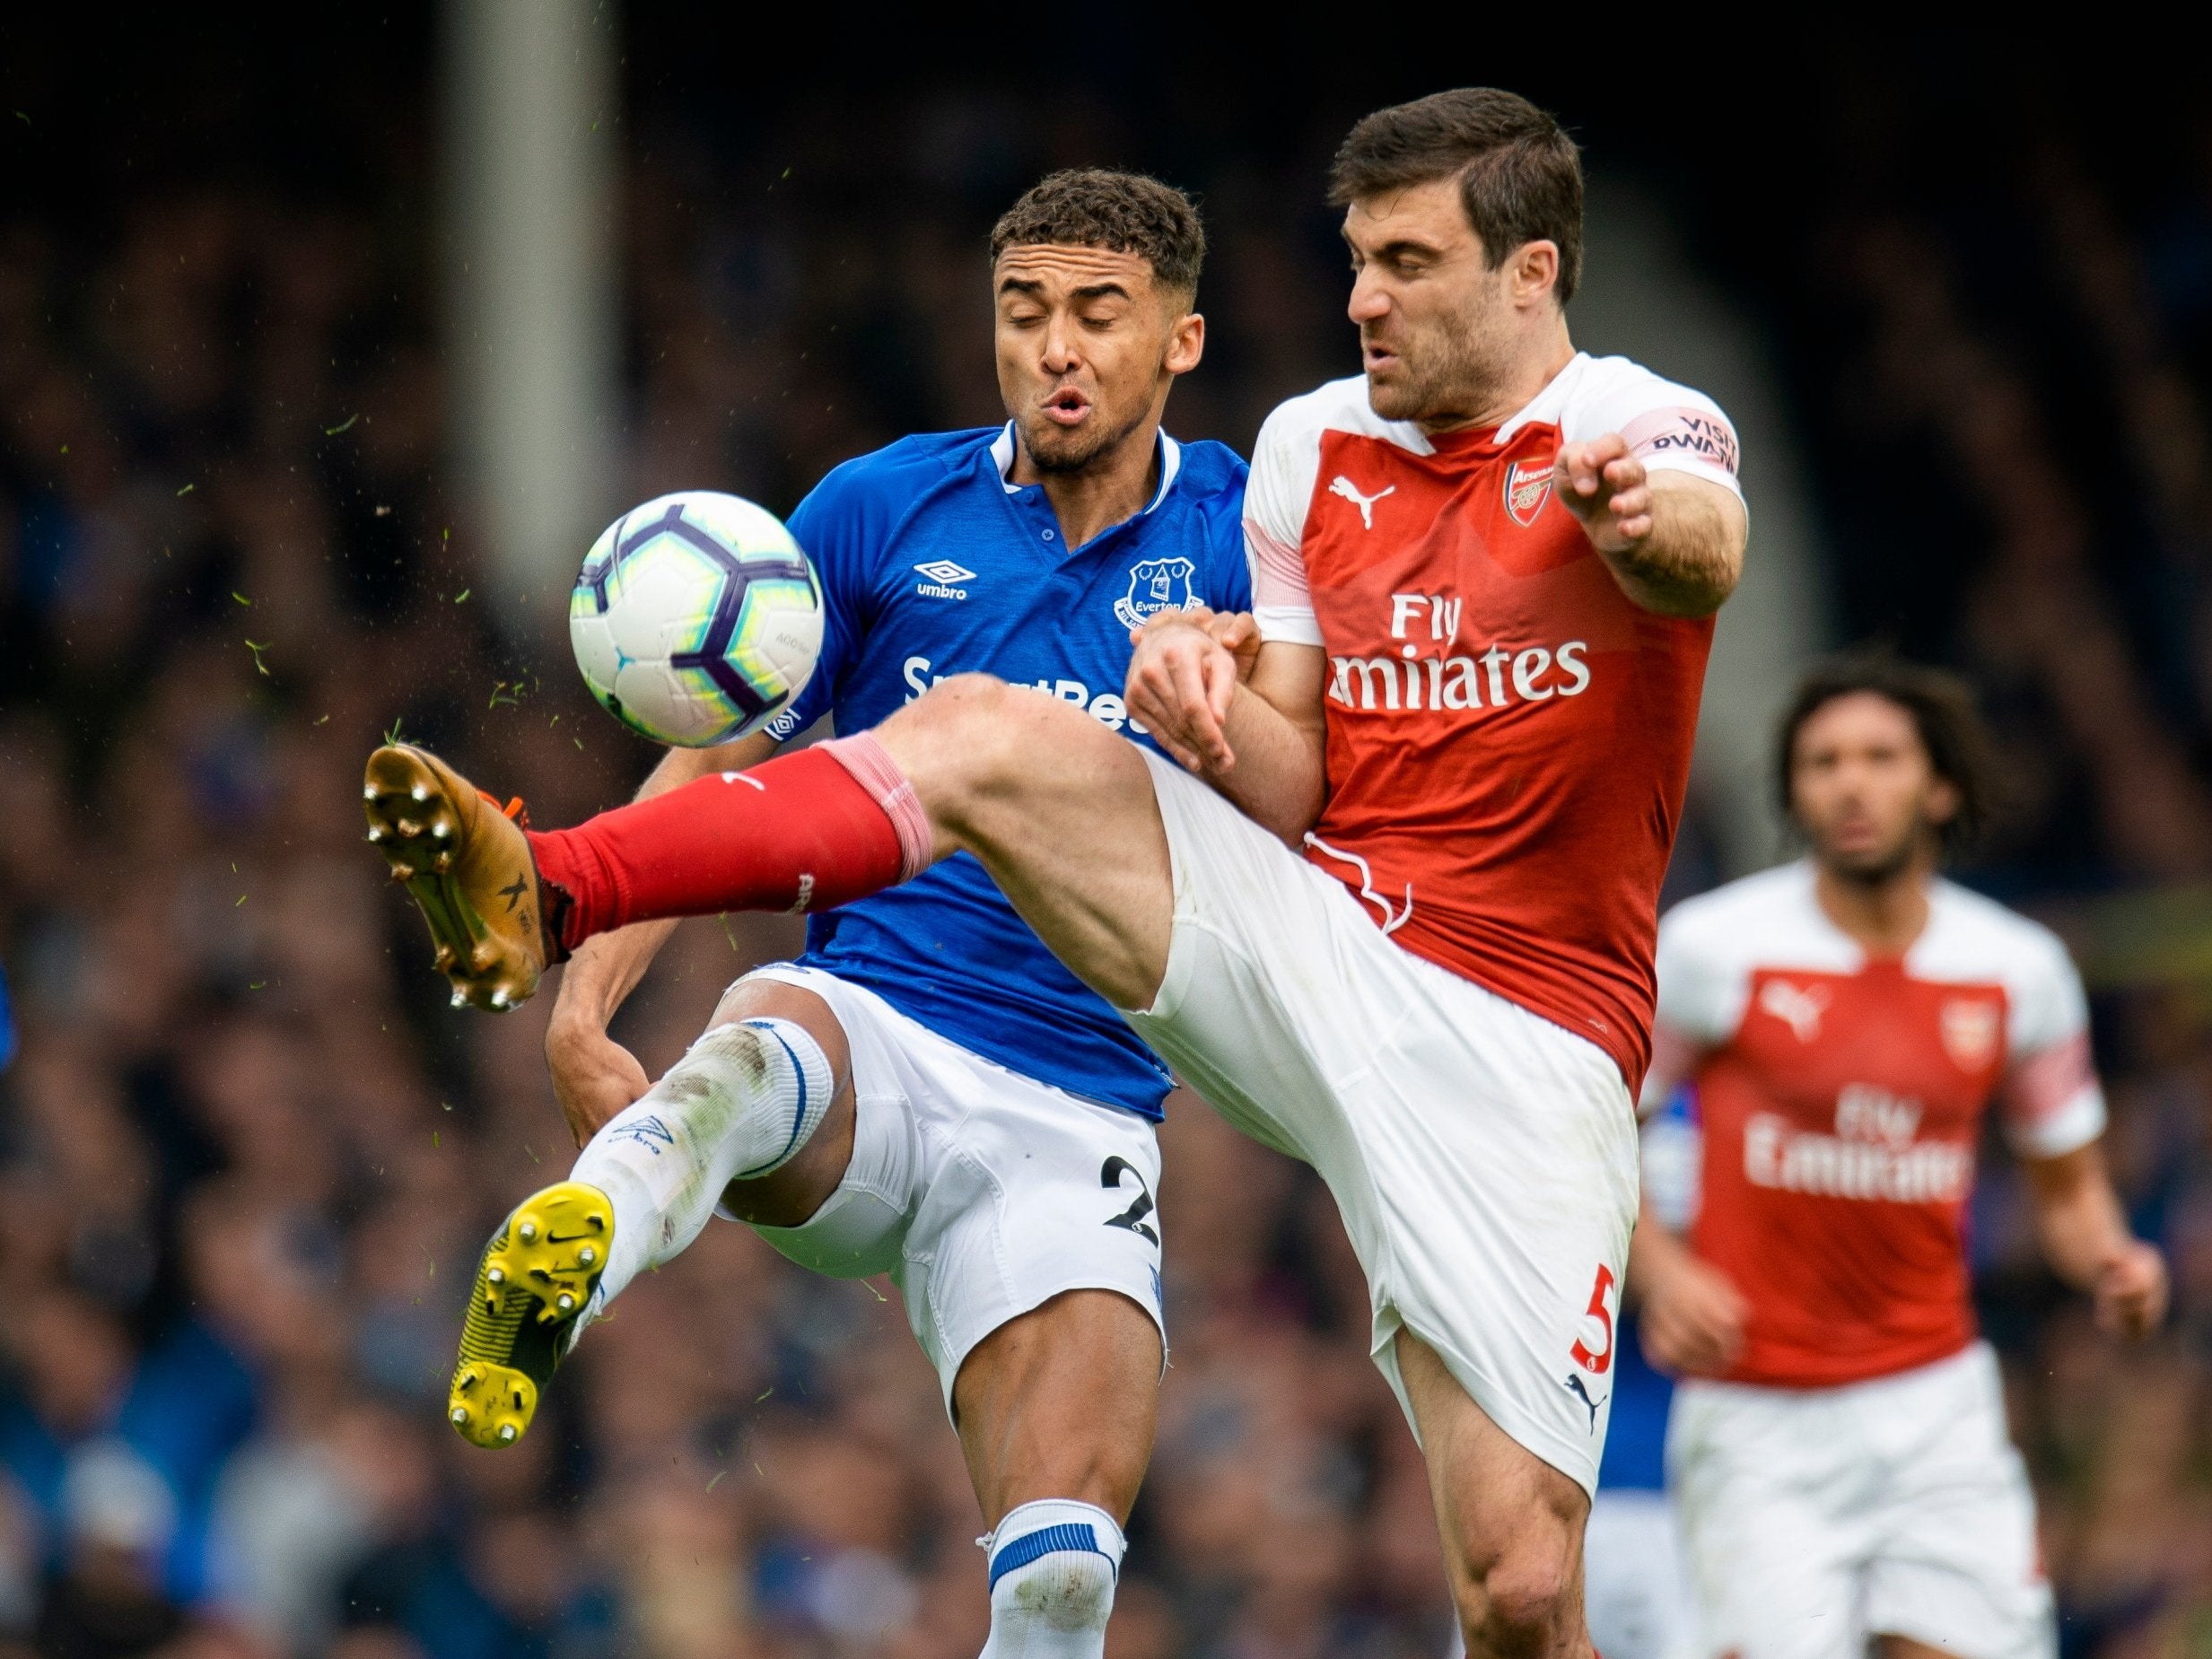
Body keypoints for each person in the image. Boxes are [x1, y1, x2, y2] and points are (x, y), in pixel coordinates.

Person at [364, 89, 1748, 1656]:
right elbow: (755, 730)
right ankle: (549, 903)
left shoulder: (1630, 423)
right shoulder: (1287, 451)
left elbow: (1700, 538)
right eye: (1358, 260)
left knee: (1502, 1583)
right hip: (1167, 965)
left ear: (1531, 272)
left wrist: (1631, 518)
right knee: (941, 784)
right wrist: (1203, 709)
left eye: (1405, 263)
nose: (1362, 297)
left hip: (1489, 1043)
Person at [403, 168, 1251, 1659]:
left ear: (1180, 340)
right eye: (1024, 310)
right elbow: (720, 753)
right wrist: (584, 1006)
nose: (1055, 345)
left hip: (1086, 1109)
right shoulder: (879, 509)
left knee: (1062, 1583)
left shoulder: (1255, 537)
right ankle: (586, 1235)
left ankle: (631, 1182)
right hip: (876, 1043)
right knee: (762, 1040)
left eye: (1097, 315)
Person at [1630, 657, 2170, 1659]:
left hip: (1934, 1407)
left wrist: (2110, 1258)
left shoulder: (2016, 972)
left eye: (1878, 758)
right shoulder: (1711, 950)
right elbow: (1595, 1128)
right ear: (1792, 791)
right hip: (1757, 1415)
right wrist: (1659, 1271)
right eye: (1821, 761)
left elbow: (2067, 1187)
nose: (1848, 782)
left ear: (1938, 787)